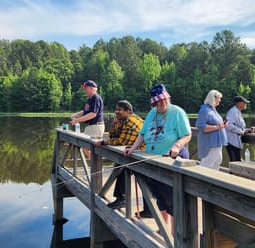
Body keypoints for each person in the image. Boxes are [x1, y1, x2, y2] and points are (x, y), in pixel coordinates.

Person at [124, 84, 192, 228]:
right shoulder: (152, 114)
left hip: (172, 160)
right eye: (159, 101)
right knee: (159, 197)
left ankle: (175, 233)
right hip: (152, 160)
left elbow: (187, 135)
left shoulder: (177, 112)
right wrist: (133, 149)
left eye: (165, 99)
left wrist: (177, 146)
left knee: (172, 198)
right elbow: (142, 134)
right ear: (154, 102)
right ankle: (163, 228)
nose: (163, 103)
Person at [93, 100, 144, 209]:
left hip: (144, 155)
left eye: (119, 110)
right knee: (121, 168)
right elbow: (113, 136)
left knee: (121, 169)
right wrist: (113, 125)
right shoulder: (123, 120)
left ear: (128, 111)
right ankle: (145, 208)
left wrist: (103, 142)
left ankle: (122, 199)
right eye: (116, 109)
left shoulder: (131, 122)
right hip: (135, 153)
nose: (116, 112)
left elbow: (121, 142)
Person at [196, 90, 228, 170]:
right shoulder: (205, 110)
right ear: (213, 98)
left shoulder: (213, 109)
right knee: (206, 164)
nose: (220, 100)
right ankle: (200, 181)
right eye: (219, 98)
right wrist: (217, 127)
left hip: (217, 143)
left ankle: (213, 181)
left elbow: (217, 124)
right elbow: (200, 126)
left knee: (217, 162)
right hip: (210, 143)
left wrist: (222, 125)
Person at [225, 96, 255, 162]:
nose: (246, 104)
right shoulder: (233, 112)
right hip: (231, 142)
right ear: (239, 103)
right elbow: (228, 125)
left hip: (235, 142)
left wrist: (247, 130)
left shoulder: (237, 111)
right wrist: (241, 132)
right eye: (244, 103)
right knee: (235, 163)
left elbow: (239, 127)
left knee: (237, 162)